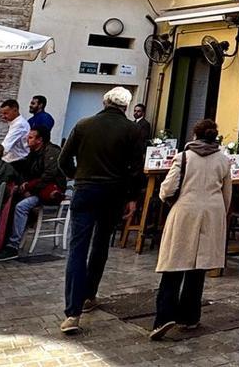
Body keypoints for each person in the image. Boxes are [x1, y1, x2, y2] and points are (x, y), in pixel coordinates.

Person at [58, 86, 144, 335]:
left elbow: (63, 160)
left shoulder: (84, 125)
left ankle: (72, 313)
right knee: (101, 244)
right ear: (126, 106)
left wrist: (78, 176)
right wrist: (132, 198)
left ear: (104, 102)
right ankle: (89, 295)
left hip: (85, 190)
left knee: (77, 249)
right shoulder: (132, 130)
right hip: (113, 193)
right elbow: (135, 169)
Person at [150, 118, 231, 341]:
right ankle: (190, 315)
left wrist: (165, 198)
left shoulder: (184, 157)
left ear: (195, 136)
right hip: (211, 213)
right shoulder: (224, 160)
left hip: (186, 210)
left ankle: (164, 316)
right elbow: (227, 195)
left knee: (174, 262)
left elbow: (167, 189)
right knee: (199, 265)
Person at [0, 125, 66, 262]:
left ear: (40, 140)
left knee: (21, 206)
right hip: (34, 189)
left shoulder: (52, 152)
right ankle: (0, 238)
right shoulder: (33, 153)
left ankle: (12, 246)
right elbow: (24, 170)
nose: (27, 139)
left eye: (31, 137)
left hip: (48, 191)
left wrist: (30, 188)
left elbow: (49, 175)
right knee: (8, 198)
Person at [0, 99, 30, 164]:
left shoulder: (19, 125)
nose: (3, 116)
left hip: (17, 161)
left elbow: (5, 147)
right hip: (12, 158)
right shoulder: (15, 123)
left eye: (6, 113)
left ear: (15, 110)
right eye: (2, 114)